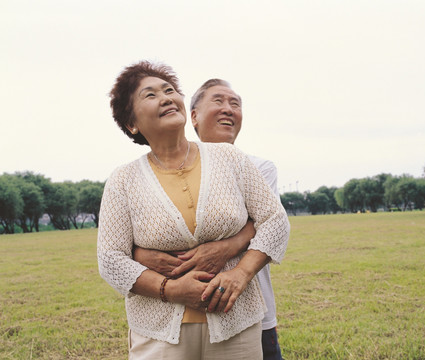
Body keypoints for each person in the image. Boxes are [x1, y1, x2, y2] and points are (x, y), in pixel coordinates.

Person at [97, 60, 290, 360]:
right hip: (159, 335)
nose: (166, 98)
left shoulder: (229, 157)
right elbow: (110, 259)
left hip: (236, 324)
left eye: (170, 90)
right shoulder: (123, 180)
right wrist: (170, 289)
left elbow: (274, 221)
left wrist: (240, 273)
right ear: (132, 124)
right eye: (150, 95)